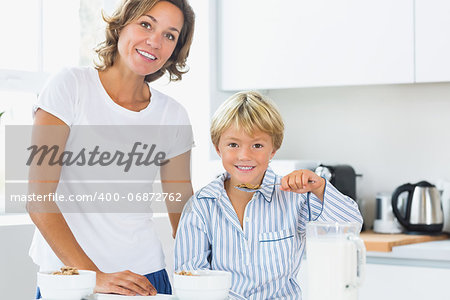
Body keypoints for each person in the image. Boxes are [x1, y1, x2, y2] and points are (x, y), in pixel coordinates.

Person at [27, 0, 195, 298]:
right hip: (71, 279)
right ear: (121, 24)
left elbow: (182, 212)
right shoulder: (70, 86)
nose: (155, 42)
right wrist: (93, 276)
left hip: (144, 278)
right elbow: (39, 200)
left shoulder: (173, 115)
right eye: (146, 24)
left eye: (170, 35)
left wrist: (203, 275)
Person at [174, 91, 363, 299]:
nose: (244, 155)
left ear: (273, 150)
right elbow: (191, 280)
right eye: (233, 144)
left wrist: (319, 187)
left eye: (257, 145)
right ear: (218, 147)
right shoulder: (200, 206)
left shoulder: (295, 198)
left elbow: (350, 228)